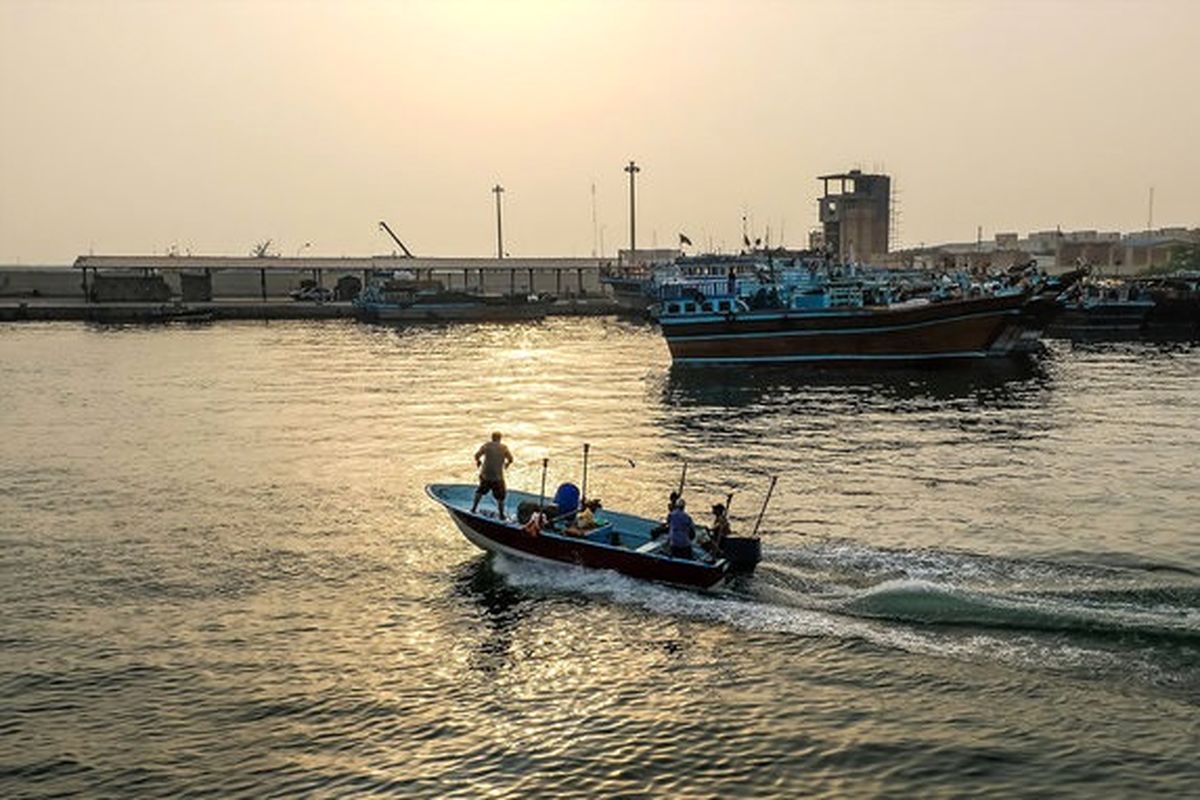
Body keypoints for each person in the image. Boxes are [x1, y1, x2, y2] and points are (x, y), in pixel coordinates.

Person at [471, 431, 514, 518]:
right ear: (500, 439)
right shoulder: (504, 447)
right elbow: (511, 459)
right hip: (497, 477)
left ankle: (473, 508)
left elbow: (476, 456)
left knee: (480, 491)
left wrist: (479, 461)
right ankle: (501, 515)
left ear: (492, 438)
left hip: (485, 476)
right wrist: (507, 464)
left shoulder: (486, 446)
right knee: (500, 497)